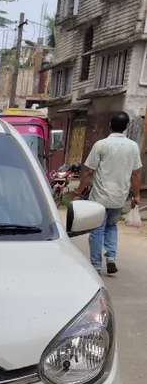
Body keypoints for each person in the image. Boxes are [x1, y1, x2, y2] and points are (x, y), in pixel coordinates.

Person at [74, 112, 142, 274]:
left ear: (110, 125)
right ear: (126, 127)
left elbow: (89, 171)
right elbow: (136, 174)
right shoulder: (133, 146)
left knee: (97, 229)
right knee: (111, 226)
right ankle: (111, 257)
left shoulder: (101, 145)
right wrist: (136, 195)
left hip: (100, 198)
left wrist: (79, 191)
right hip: (119, 197)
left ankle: (96, 265)